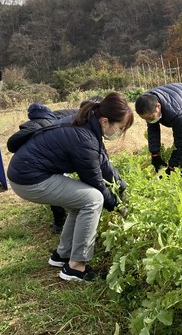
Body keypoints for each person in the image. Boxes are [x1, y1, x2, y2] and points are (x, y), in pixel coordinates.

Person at [7, 92, 132, 282]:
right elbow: (96, 182)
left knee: (79, 201)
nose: (120, 133)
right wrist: (117, 206)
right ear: (105, 121)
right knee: (93, 199)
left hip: (28, 172)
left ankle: (62, 254)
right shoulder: (84, 138)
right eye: (120, 127)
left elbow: (103, 161)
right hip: (29, 179)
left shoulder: (88, 123)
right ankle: (76, 267)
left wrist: (121, 186)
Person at [7, 96, 102, 233]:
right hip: (34, 172)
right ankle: (60, 224)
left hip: (29, 168)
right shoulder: (71, 121)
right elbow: (90, 166)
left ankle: (61, 233)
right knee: (88, 198)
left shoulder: (70, 116)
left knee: (73, 195)